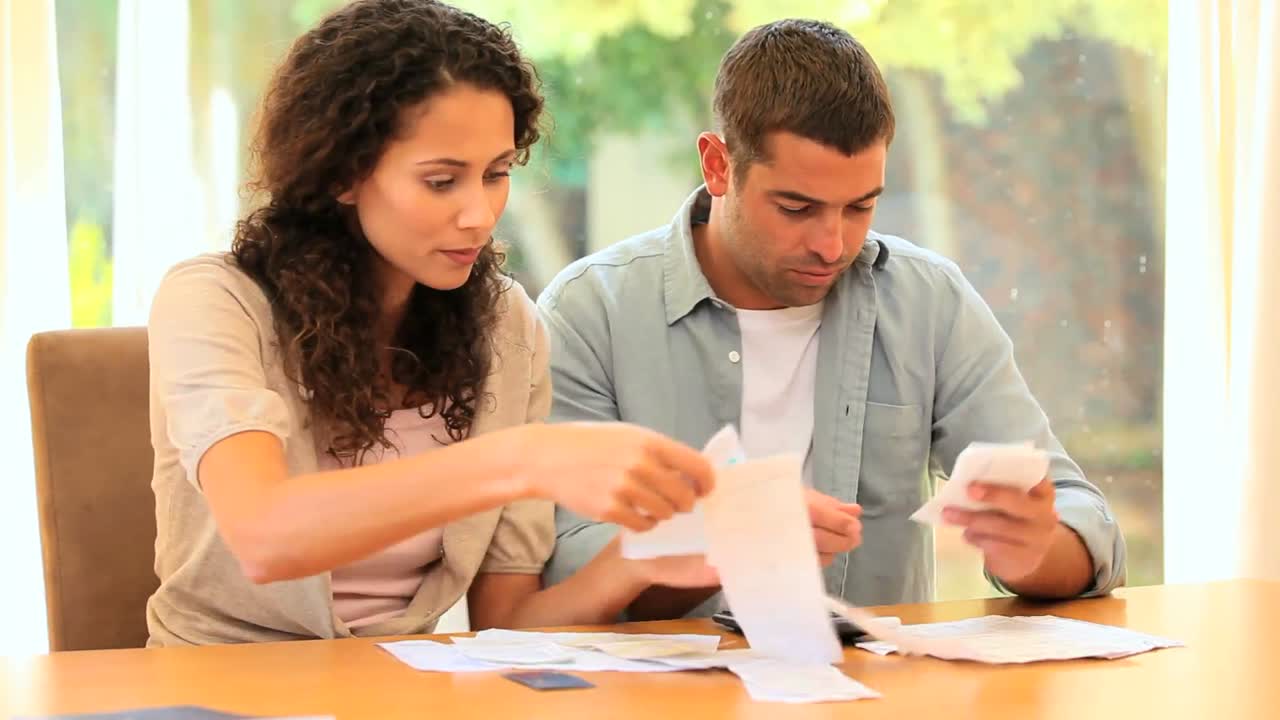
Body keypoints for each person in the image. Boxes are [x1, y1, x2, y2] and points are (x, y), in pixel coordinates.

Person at [145, 0, 717, 647]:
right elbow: (265, 536)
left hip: (400, 693)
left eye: (497, 174)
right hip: (218, 689)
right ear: (342, 173)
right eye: (442, 181)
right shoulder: (215, 299)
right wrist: (524, 459)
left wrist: (640, 560)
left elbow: (507, 625)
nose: (480, 214)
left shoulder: (504, 326)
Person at [540, 18, 1126, 618]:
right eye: (797, 207)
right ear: (718, 166)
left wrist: (1032, 551)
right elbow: (563, 562)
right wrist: (726, 539)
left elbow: (1084, 520)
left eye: (860, 206)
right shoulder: (592, 313)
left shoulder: (926, 302)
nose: (832, 244)